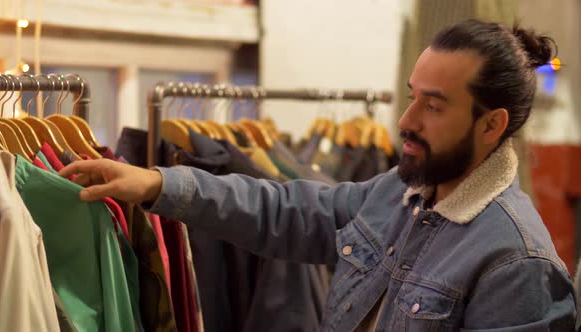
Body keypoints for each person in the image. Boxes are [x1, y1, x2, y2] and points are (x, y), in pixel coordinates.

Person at [59, 19, 576, 331]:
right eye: (412, 95)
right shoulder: (403, 192)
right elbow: (287, 211)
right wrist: (158, 184)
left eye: (434, 107)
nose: (406, 120)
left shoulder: (517, 264)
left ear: (492, 125)